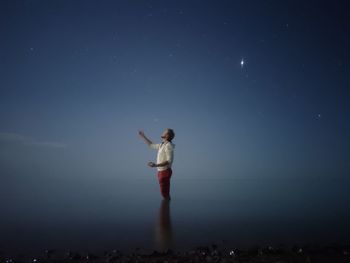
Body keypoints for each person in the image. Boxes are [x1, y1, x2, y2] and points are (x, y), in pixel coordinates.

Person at [138, 129, 175, 200]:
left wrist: (155, 165)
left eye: (165, 131)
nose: (163, 131)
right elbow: (151, 145)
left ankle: (165, 209)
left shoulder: (168, 145)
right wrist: (143, 136)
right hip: (161, 171)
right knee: (165, 193)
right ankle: (166, 209)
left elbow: (169, 161)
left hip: (165, 171)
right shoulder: (162, 145)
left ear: (167, 135)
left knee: (165, 194)